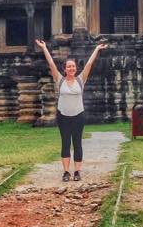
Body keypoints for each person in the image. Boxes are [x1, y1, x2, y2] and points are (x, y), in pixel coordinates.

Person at [36, 39, 107, 182]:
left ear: (76, 69)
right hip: (63, 116)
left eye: (73, 66)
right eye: (68, 67)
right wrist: (44, 48)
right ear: (65, 69)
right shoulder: (60, 80)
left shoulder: (81, 80)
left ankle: (77, 172)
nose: (71, 69)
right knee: (65, 143)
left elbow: (89, 64)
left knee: (77, 143)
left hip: (78, 116)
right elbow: (51, 64)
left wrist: (97, 49)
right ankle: (66, 172)